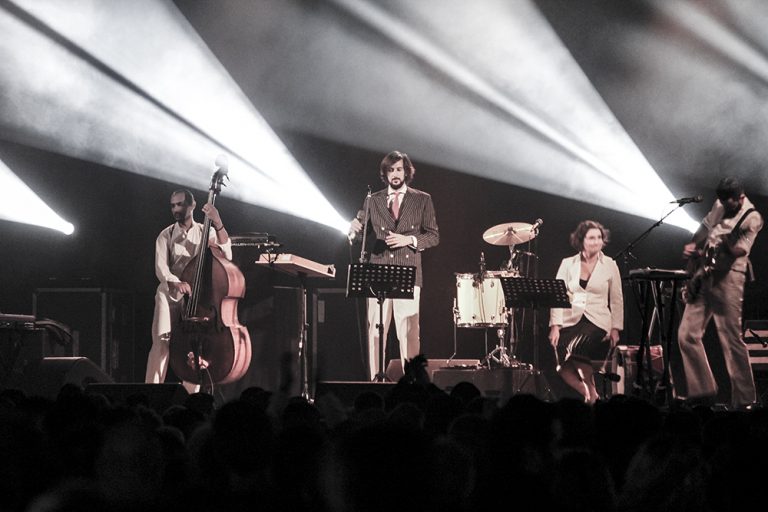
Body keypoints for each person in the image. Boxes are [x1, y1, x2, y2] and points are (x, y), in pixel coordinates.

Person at [349, 151, 439, 381]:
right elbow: (359, 235)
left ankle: (413, 383)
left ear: (406, 172)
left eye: (399, 169)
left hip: (408, 271)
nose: (395, 174)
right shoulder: (373, 199)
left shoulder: (422, 199)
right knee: (375, 330)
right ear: (385, 173)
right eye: (391, 170)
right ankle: (375, 381)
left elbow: (433, 236)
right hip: (378, 270)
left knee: (408, 331)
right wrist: (353, 231)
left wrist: (408, 240)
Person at [677, 176, 763, 409]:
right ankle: (702, 392)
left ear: (740, 198)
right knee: (686, 334)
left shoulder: (752, 217)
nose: (724, 207)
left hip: (729, 277)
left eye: (729, 203)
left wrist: (725, 245)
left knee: (730, 339)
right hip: (705, 273)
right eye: (722, 202)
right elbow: (705, 227)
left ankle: (745, 400)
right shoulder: (720, 204)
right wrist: (694, 244)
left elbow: (740, 251)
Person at [145, 188, 232, 394]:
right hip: (169, 294)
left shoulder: (205, 231)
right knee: (162, 341)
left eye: (180, 204)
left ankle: (190, 395)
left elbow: (227, 253)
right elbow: (161, 269)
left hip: (197, 297)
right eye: (173, 205)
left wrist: (217, 221)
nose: (176, 209)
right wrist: (176, 282)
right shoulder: (165, 235)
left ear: (192, 205)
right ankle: (151, 391)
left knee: (196, 346)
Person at [549, 220, 623, 403]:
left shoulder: (610, 264)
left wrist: (616, 328)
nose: (596, 242)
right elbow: (557, 296)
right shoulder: (568, 263)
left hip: (598, 320)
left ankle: (591, 396)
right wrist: (555, 326)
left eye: (599, 237)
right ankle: (591, 395)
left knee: (577, 347)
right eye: (591, 238)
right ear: (581, 240)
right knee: (561, 367)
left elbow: (616, 299)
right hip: (571, 319)